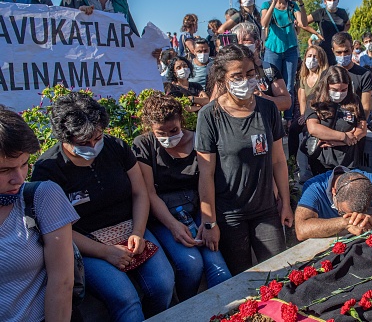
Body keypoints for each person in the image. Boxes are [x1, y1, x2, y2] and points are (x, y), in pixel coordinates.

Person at [31, 93, 175, 322]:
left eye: (97, 137)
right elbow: (58, 229)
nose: (93, 146)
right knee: (125, 299)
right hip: (85, 243)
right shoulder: (49, 170)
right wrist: (105, 252)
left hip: (130, 228)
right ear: (64, 138)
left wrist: (138, 232)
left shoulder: (115, 147)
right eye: (83, 143)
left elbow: (140, 192)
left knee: (163, 283)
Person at [195, 44, 294, 275]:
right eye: (236, 76)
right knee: (242, 282)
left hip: (266, 210)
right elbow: (206, 174)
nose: (245, 81)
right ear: (223, 78)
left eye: (250, 74)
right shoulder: (209, 115)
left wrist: (286, 204)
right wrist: (210, 223)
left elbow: (279, 160)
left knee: (279, 274)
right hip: (230, 217)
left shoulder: (268, 109)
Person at [132, 94, 231, 301]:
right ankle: (186, 306)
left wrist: (209, 222)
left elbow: (207, 180)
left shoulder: (197, 140)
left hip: (196, 209)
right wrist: (173, 226)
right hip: (162, 215)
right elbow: (149, 193)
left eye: (174, 131)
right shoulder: (144, 145)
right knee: (190, 264)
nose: (168, 137)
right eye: (161, 133)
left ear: (181, 122)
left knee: (218, 266)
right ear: (151, 128)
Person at [0, 106, 78, 322]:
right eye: (4, 170)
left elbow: (62, 282)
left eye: (24, 164)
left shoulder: (42, 196)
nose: (19, 178)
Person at [294, 168, 372, 240]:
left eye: (359, 214)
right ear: (333, 192)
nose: (355, 218)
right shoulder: (314, 187)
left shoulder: (371, 181)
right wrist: (345, 223)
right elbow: (301, 229)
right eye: (343, 213)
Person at [261, 0, 308, 123]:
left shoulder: (292, 5)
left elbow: (304, 23)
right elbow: (264, 23)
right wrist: (274, 2)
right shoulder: (267, 5)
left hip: (290, 49)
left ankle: (288, 119)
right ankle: (273, 117)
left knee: (288, 84)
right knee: (272, 83)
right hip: (272, 49)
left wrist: (300, 3)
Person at [305, 66, 367, 175]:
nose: (339, 93)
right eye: (334, 90)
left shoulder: (354, 100)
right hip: (321, 161)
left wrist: (339, 141)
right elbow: (313, 128)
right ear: (326, 86)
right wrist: (343, 137)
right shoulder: (314, 100)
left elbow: (362, 127)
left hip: (348, 161)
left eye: (343, 90)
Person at [230, 21, 291, 112]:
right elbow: (215, 102)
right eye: (237, 40)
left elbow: (286, 102)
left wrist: (263, 98)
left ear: (257, 43)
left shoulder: (269, 69)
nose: (241, 44)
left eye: (245, 40)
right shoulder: (227, 71)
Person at [288, 45, 330, 161]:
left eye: (315, 56)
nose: (312, 59)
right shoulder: (303, 77)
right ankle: (292, 162)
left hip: (322, 113)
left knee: (310, 133)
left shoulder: (325, 76)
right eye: (309, 56)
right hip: (307, 113)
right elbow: (302, 99)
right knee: (293, 129)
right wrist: (304, 116)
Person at [332, 32, 372, 118]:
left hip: (355, 123)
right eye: (339, 52)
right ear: (333, 51)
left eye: (346, 51)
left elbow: (366, 107)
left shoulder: (364, 74)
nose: (343, 55)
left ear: (352, 48)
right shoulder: (328, 74)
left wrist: (360, 125)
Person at [307, 0, 350, 65]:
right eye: (329, 0)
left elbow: (348, 24)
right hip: (324, 50)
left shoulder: (342, 12)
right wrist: (316, 33)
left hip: (338, 51)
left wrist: (344, 32)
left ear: (338, 0)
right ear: (325, 1)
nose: (332, 2)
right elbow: (302, 23)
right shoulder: (320, 13)